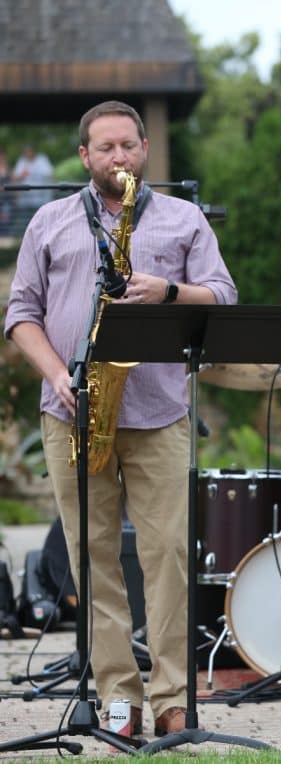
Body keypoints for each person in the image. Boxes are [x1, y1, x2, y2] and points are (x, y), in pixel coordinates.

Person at [5, 101, 237, 737]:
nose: (118, 158)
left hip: (159, 409)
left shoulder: (184, 220)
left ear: (144, 150)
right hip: (72, 409)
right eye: (104, 148)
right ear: (84, 156)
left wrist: (167, 291)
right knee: (92, 557)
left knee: (165, 556)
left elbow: (223, 295)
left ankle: (171, 697)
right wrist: (57, 372)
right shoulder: (50, 222)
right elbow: (21, 313)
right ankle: (117, 697)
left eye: (128, 146)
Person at [11, 143, 54, 224]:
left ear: (33, 151)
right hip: (25, 199)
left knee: (42, 220)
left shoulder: (42, 160)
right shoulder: (22, 161)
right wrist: (22, 175)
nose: (27, 153)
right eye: (25, 152)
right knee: (26, 221)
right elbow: (15, 178)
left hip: (41, 199)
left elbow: (50, 175)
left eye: (29, 151)